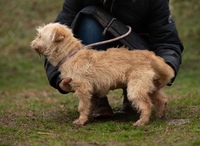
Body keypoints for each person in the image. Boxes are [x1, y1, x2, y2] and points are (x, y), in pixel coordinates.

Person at [44, 0, 184, 118]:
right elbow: (52, 39)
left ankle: (134, 90)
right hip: (94, 58)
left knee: (140, 63)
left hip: (137, 52)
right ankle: (96, 97)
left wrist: (166, 66)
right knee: (89, 22)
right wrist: (59, 79)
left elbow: (167, 41)